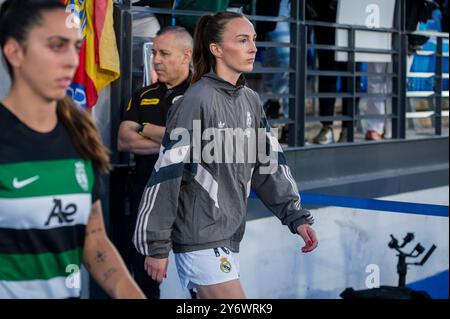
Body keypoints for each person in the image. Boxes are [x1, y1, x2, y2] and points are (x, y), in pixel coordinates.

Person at [133, 11, 318, 299]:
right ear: (216, 49)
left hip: (229, 235)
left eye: (254, 40)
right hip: (200, 237)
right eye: (242, 40)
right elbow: (166, 176)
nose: (253, 48)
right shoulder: (194, 101)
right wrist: (156, 245)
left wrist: (296, 217)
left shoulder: (251, 100)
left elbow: (269, 164)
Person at [0, 0, 144, 299]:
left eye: (76, 47)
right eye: (56, 46)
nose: (72, 61)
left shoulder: (80, 136)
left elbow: (94, 243)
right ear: (15, 52)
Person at [117, 26, 193, 299]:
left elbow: (202, 144)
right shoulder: (142, 94)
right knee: (145, 280)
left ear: (186, 56)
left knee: (202, 279)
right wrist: (176, 140)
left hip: (190, 199)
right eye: (154, 53)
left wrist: (146, 128)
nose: (156, 59)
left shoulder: (202, 95)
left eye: (164, 53)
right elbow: (124, 141)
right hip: (145, 197)